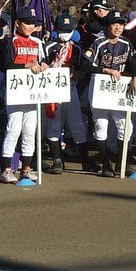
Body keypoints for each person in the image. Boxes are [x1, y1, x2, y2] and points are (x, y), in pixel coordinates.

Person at [84, 9, 136, 178]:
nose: (118, 27)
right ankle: (105, 164)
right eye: (114, 24)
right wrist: (105, 70)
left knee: (126, 126)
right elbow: (85, 64)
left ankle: (122, 163)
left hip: (119, 88)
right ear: (107, 25)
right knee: (101, 126)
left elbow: (132, 62)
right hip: (99, 85)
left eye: (121, 24)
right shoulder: (98, 43)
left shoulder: (126, 43)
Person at [0, 8, 47, 183]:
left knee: (29, 131)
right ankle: (6, 169)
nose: (31, 26)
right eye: (27, 22)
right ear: (17, 23)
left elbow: (43, 61)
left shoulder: (37, 42)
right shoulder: (11, 41)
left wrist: (44, 66)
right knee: (13, 129)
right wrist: (26, 66)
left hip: (33, 93)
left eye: (33, 23)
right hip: (15, 92)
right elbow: (7, 65)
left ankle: (26, 168)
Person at [43, 12, 83, 173]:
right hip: (53, 90)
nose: (65, 34)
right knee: (53, 124)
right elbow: (43, 65)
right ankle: (57, 160)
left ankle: (85, 159)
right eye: (62, 30)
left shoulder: (77, 48)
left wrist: (76, 74)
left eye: (68, 30)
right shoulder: (48, 46)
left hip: (71, 88)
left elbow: (83, 68)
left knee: (77, 123)